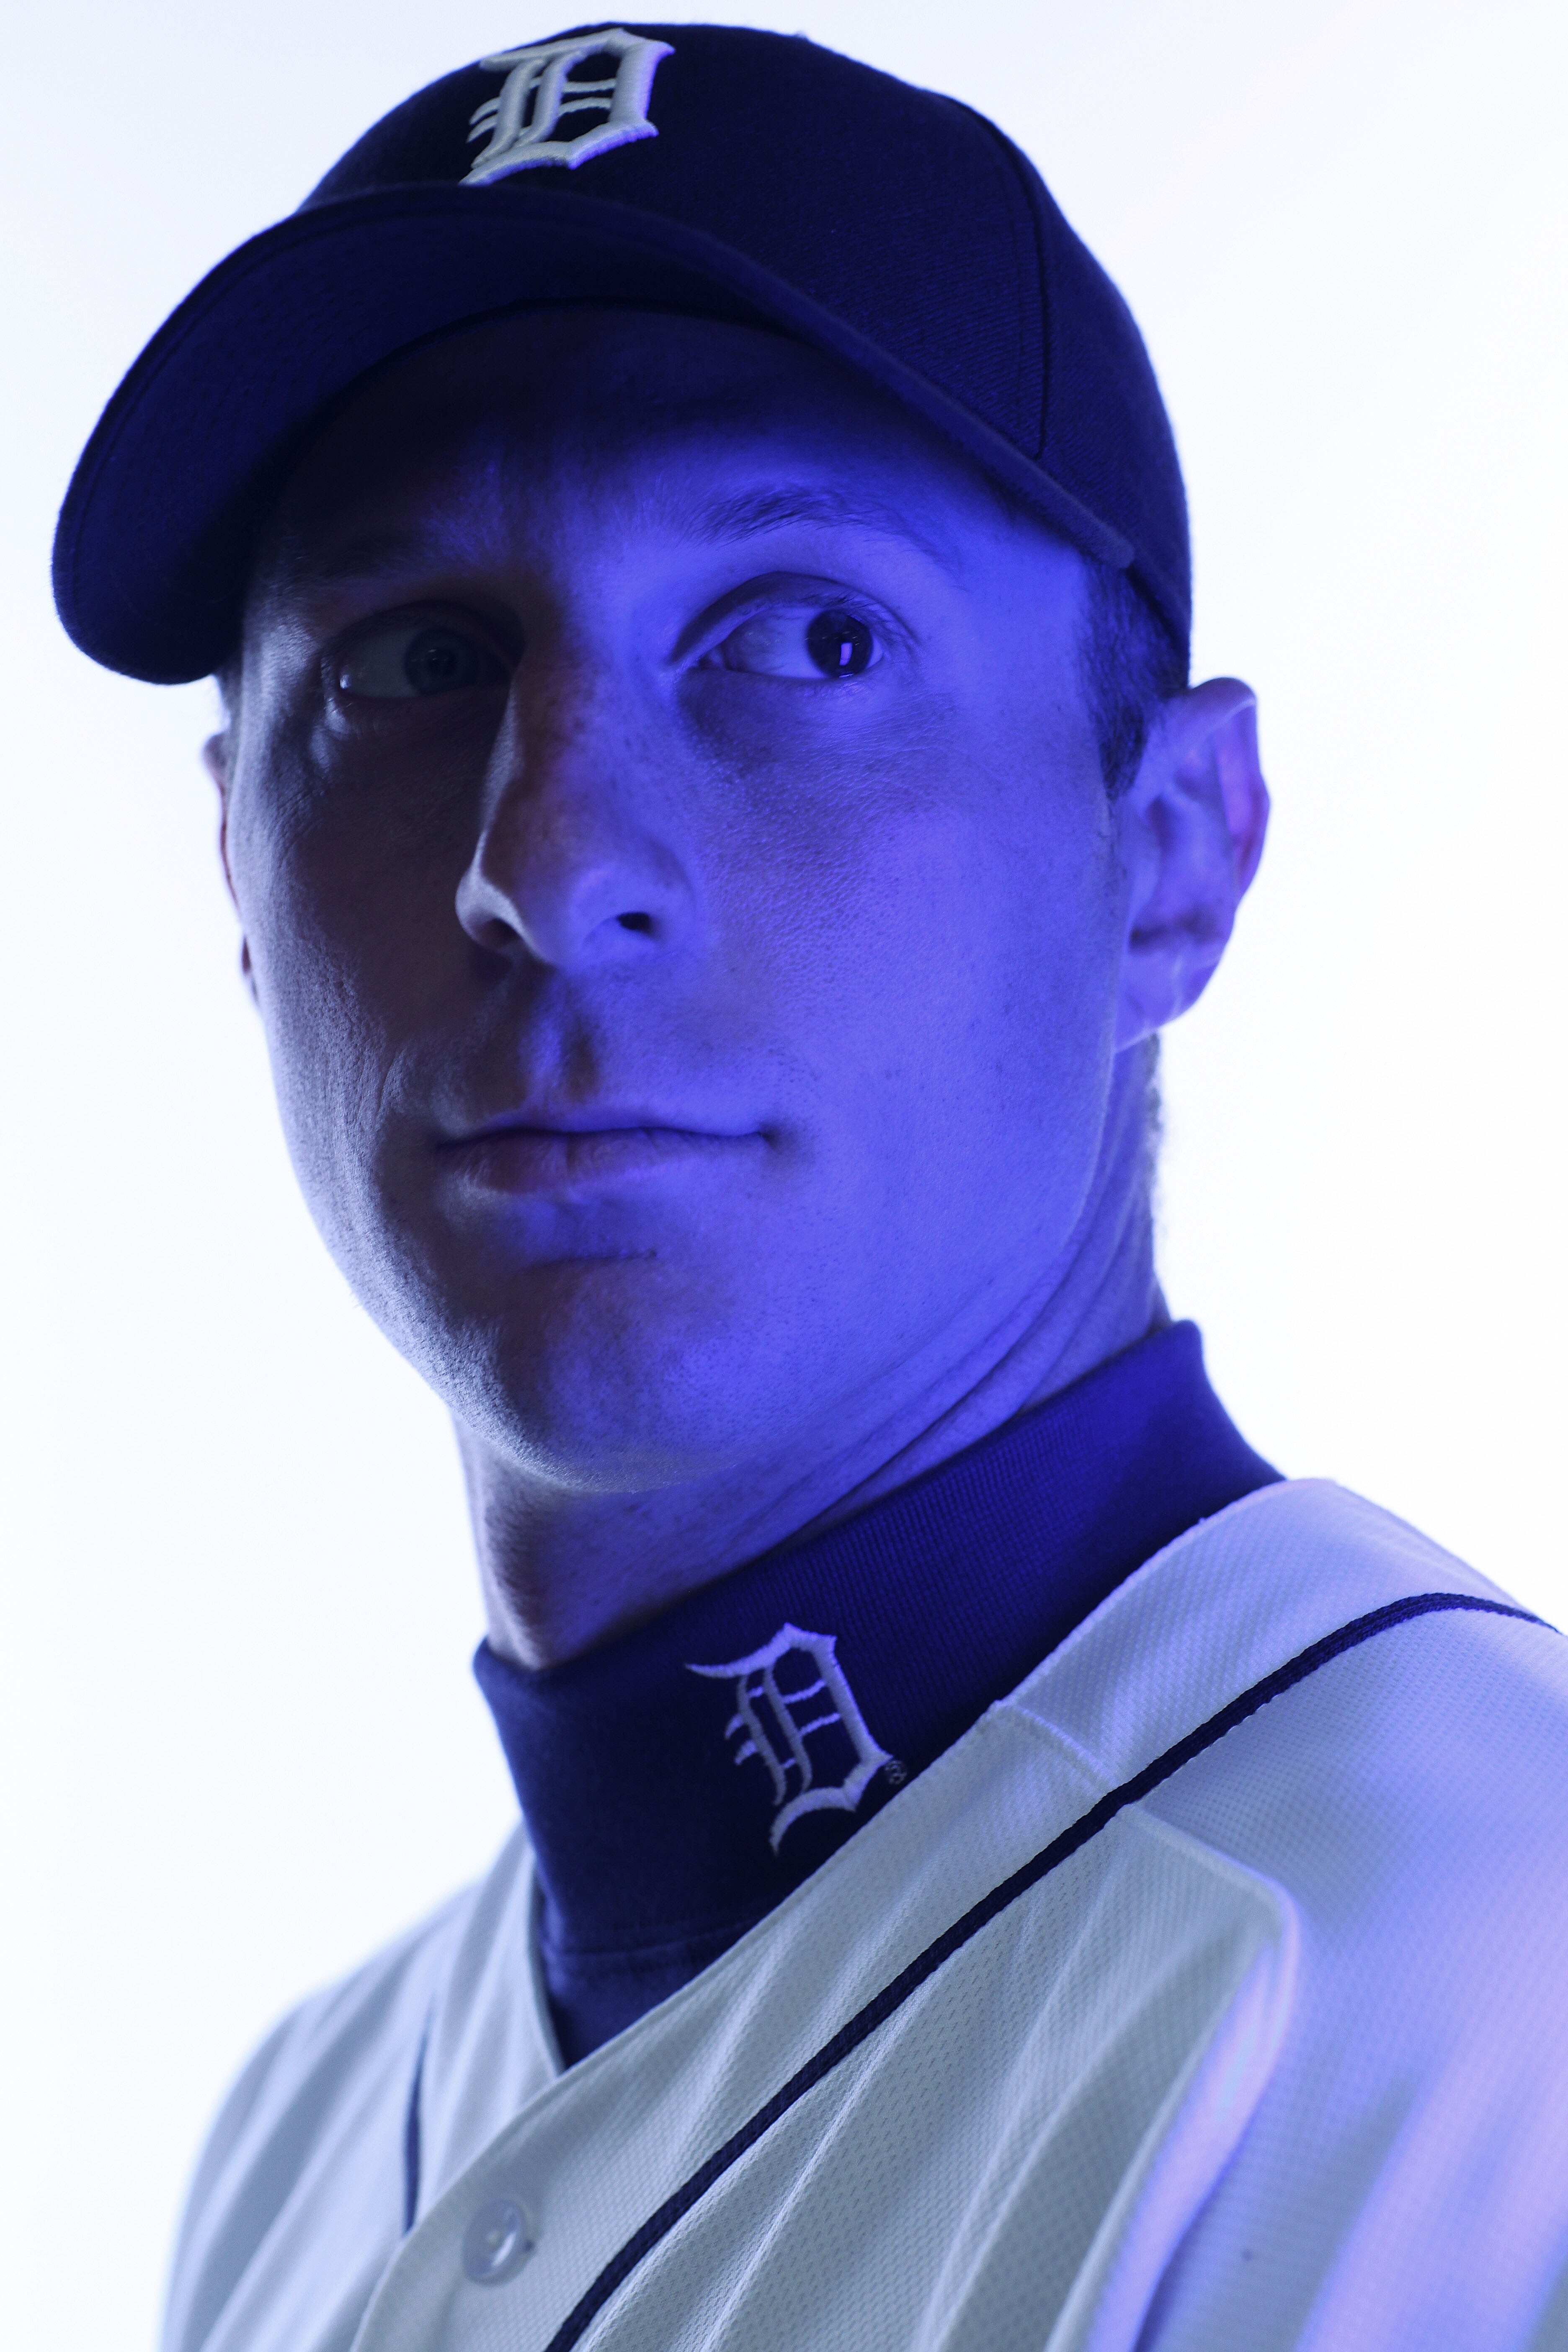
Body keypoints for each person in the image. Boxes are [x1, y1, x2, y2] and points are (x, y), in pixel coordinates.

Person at [54, 23, 1568, 2351]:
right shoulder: (297, 2136)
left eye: (809, 640)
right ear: (230, 867)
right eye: (416, 662)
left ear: (1174, 850)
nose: (547, 863)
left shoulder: (1474, 1973)